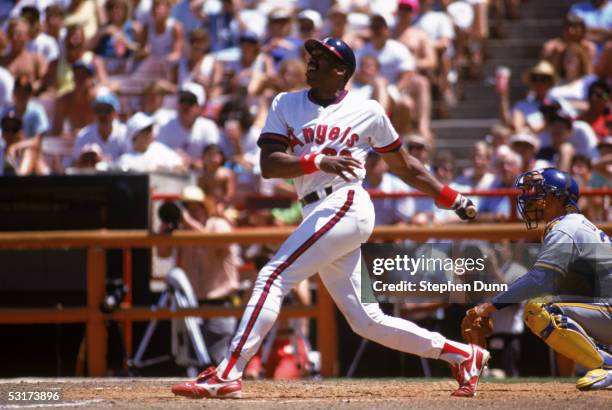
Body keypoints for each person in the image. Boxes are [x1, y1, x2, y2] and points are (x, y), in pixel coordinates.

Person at [171, 37, 487, 400]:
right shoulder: (286, 103)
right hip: (316, 208)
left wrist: (453, 197)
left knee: (272, 276)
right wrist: (316, 161)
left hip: (346, 203)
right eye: (312, 56)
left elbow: (408, 167)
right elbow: (268, 164)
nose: (312, 62)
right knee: (367, 321)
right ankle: (463, 355)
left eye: (322, 59)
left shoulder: (367, 109)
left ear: (341, 71)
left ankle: (228, 371)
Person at [467, 167, 612, 391]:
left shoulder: (566, 228)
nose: (529, 197)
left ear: (558, 197)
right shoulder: (573, 225)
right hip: (604, 307)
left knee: (539, 308)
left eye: (538, 191)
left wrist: (489, 306)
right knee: (551, 303)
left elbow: (540, 279)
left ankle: (607, 365)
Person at [158, 185, 240, 365]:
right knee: (195, 363)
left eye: (195, 208)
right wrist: (165, 229)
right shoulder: (182, 232)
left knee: (221, 360)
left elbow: (220, 245)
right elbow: (162, 252)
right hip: (191, 307)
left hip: (220, 304)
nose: (190, 213)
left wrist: (189, 224)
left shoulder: (218, 225)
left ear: (204, 208)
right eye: (186, 208)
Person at [156, 82, 220, 168]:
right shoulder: (165, 126)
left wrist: (191, 162)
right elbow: (157, 158)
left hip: (200, 177)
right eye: (182, 100)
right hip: (173, 175)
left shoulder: (208, 126)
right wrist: (173, 159)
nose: (185, 106)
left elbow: (214, 160)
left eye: (190, 102)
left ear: (200, 107)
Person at [71, 90, 128, 164]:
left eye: (107, 110)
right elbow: (76, 162)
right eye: (99, 110)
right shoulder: (83, 135)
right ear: (94, 113)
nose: (103, 114)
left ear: (115, 112)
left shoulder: (124, 133)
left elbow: (131, 162)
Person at [117, 111, 185, 173]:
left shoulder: (159, 149)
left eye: (150, 129)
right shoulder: (125, 160)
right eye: (147, 130)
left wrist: (167, 169)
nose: (150, 133)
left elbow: (181, 168)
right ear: (135, 136)